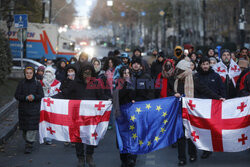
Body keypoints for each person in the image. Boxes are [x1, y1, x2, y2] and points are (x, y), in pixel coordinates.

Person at [53, 63, 106, 167]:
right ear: (81, 74)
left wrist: (108, 101)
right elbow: (64, 94)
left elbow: (102, 96)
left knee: (91, 136)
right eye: (85, 73)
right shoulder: (75, 83)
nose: (87, 76)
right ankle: (81, 158)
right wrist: (51, 98)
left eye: (89, 73)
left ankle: (89, 156)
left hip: (92, 116)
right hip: (77, 115)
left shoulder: (96, 83)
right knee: (78, 138)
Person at [174, 59, 224, 166]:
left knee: (191, 134)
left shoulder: (194, 78)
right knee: (181, 136)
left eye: (180, 70)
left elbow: (205, 90)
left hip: (191, 111)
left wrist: (218, 97)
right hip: (179, 111)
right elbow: (171, 92)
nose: (178, 72)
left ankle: (192, 154)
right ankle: (181, 158)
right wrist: (176, 94)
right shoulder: (177, 80)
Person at [195, 57, 226, 159]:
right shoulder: (196, 77)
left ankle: (216, 145)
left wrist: (223, 99)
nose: (205, 66)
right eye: (203, 64)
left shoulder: (216, 76)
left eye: (207, 64)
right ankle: (206, 149)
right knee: (203, 129)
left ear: (209, 65)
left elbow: (222, 89)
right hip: (201, 107)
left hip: (214, 106)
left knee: (214, 128)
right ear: (200, 65)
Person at [15, 66, 44, 154]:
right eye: (27, 73)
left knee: (31, 129)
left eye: (30, 73)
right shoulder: (21, 83)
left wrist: (34, 97)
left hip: (34, 110)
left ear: (33, 73)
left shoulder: (37, 84)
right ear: (25, 74)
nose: (28, 75)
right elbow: (17, 95)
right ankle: (27, 141)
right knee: (25, 129)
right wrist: (25, 97)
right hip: (23, 110)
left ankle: (29, 144)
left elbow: (41, 95)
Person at [113, 66, 136, 167]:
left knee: (132, 135)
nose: (126, 74)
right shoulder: (118, 84)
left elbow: (137, 96)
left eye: (128, 73)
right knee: (122, 136)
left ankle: (132, 158)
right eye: (124, 73)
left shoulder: (134, 83)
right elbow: (119, 96)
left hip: (132, 113)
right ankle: (123, 159)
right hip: (121, 113)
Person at [41, 66, 61, 145]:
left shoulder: (57, 83)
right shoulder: (41, 82)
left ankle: (51, 135)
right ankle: (46, 136)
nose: (48, 74)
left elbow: (59, 94)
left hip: (53, 105)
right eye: (46, 72)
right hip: (43, 105)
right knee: (44, 120)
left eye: (50, 72)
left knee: (52, 121)